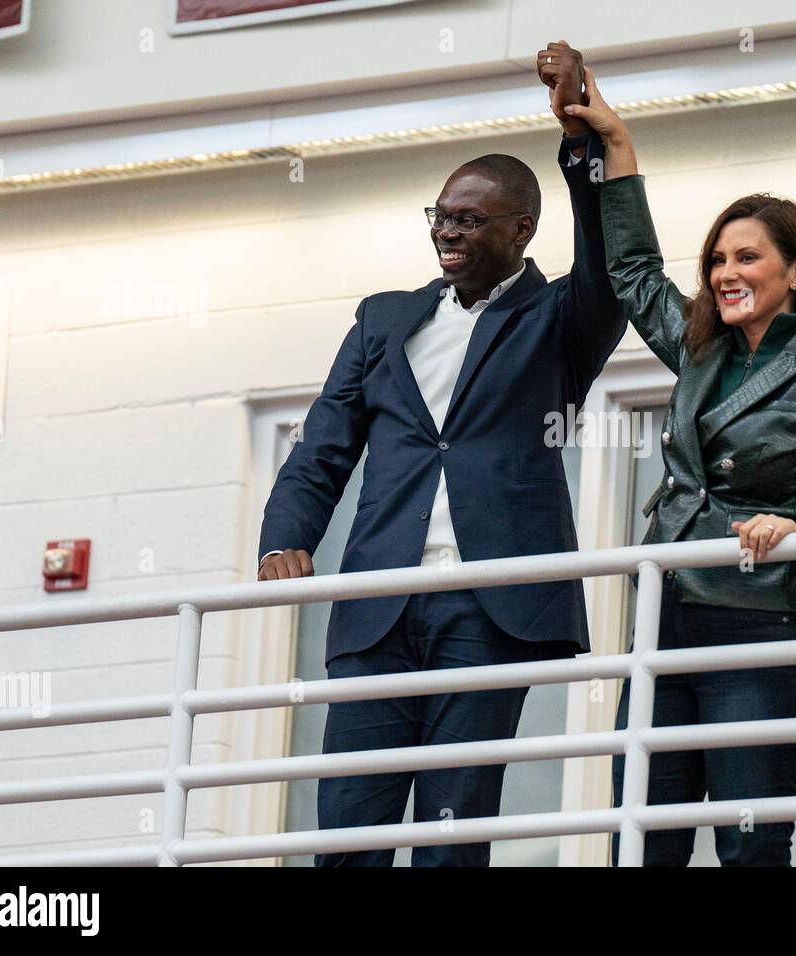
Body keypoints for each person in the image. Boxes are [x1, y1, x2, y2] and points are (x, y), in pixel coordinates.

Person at [256, 42, 624, 866]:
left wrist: (581, 143)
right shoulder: (385, 318)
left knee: (452, 831)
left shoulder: (560, 320)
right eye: (440, 217)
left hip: (486, 607)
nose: (447, 233)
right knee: (351, 825)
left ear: (521, 230)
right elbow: (324, 444)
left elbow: (608, 263)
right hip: (379, 600)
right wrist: (286, 538)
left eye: (468, 220)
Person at [561, 67, 796, 865]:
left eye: (747, 257)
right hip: (668, 614)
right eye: (717, 257)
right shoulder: (698, 350)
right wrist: (616, 146)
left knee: (749, 852)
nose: (725, 272)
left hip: (764, 625)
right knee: (644, 846)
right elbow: (632, 274)